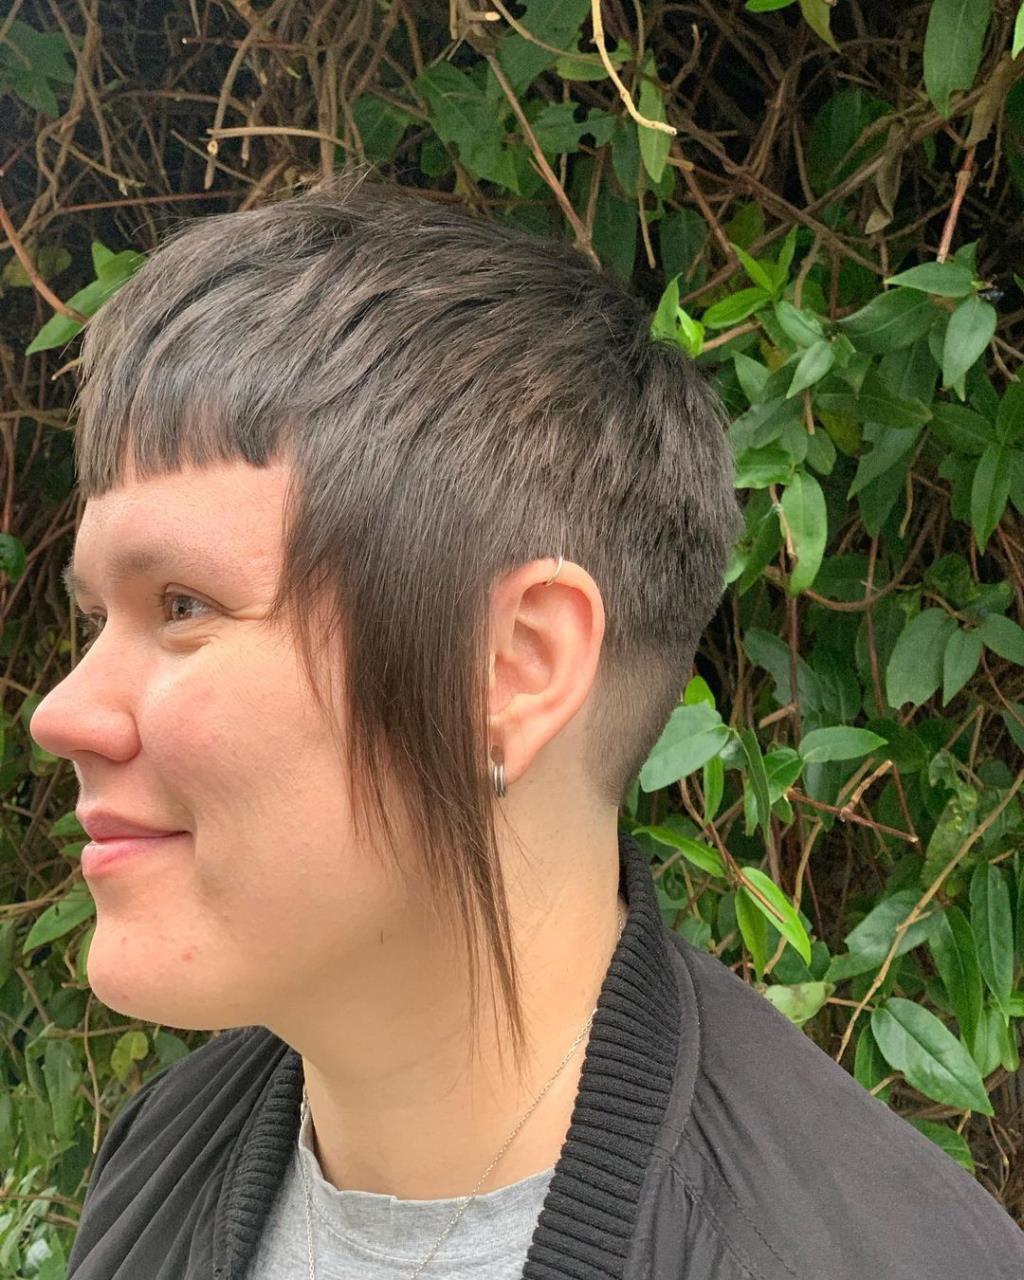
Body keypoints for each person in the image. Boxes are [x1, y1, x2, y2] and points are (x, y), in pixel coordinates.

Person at [30, 170, 1023, 1280]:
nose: (61, 713)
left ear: (512, 669)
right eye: (97, 617)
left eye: (182, 605)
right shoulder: (162, 1159)